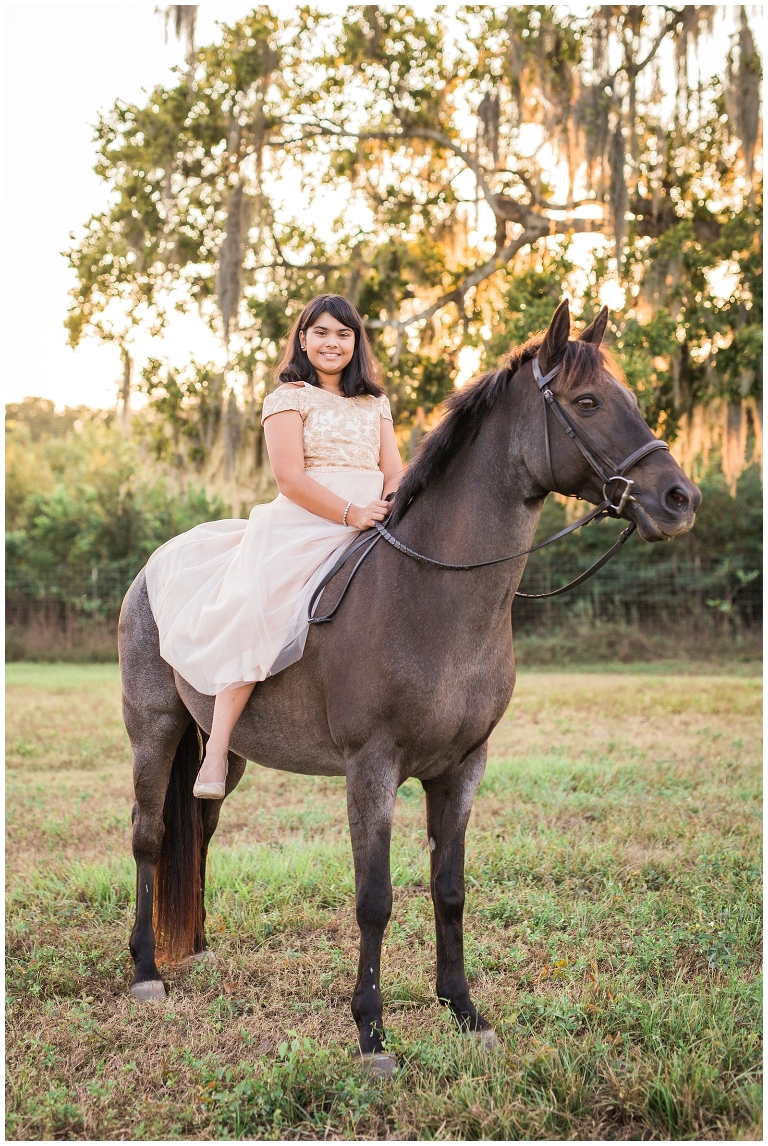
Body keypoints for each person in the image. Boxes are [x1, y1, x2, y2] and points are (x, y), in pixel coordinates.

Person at [144, 294, 404, 799]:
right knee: (259, 610)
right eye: (322, 333)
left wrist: (389, 502)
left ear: (356, 343)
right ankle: (217, 750)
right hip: (307, 523)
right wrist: (351, 513)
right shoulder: (289, 398)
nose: (332, 343)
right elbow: (289, 478)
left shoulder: (375, 403)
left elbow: (393, 468)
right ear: (303, 340)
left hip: (374, 520)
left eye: (343, 334)